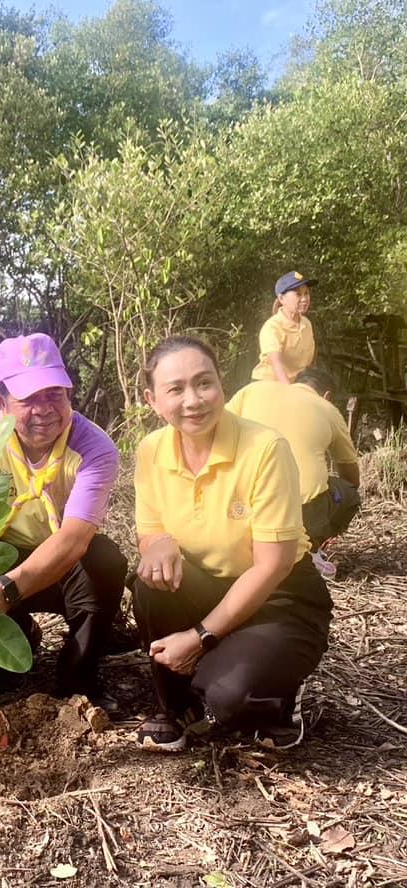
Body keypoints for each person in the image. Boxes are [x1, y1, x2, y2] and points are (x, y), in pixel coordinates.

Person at [133, 335, 331, 752]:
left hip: (280, 598)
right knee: (150, 582)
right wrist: (159, 542)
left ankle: (278, 698)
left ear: (222, 384)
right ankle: (178, 709)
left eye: (204, 383)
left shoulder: (264, 449)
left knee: (227, 697)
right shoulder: (151, 451)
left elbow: (271, 566)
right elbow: (149, 528)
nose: (193, 400)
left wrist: (201, 635)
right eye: (175, 389)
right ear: (152, 400)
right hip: (210, 585)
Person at [0, 333, 127, 708]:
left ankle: (78, 679)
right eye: (28, 399)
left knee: (104, 561)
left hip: (61, 560)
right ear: (2, 405)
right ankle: (13, 645)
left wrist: (3, 593)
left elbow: (73, 538)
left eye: (54, 394)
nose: (44, 409)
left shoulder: (93, 447)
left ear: (69, 395)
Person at [227, 367, 360, 578]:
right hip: (299, 515)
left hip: (238, 506)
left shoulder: (252, 390)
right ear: (327, 395)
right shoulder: (326, 407)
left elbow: (216, 430)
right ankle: (311, 549)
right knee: (349, 494)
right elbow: (350, 473)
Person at [251, 271, 317, 383]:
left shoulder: (307, 324)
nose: (304, 299)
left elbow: (307, 365)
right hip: (269, 384)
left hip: (296, 384)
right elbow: (277, 365)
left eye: (306, 293)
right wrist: (289, 393)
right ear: (281, 299)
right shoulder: (272, 327)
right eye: (298, 294)